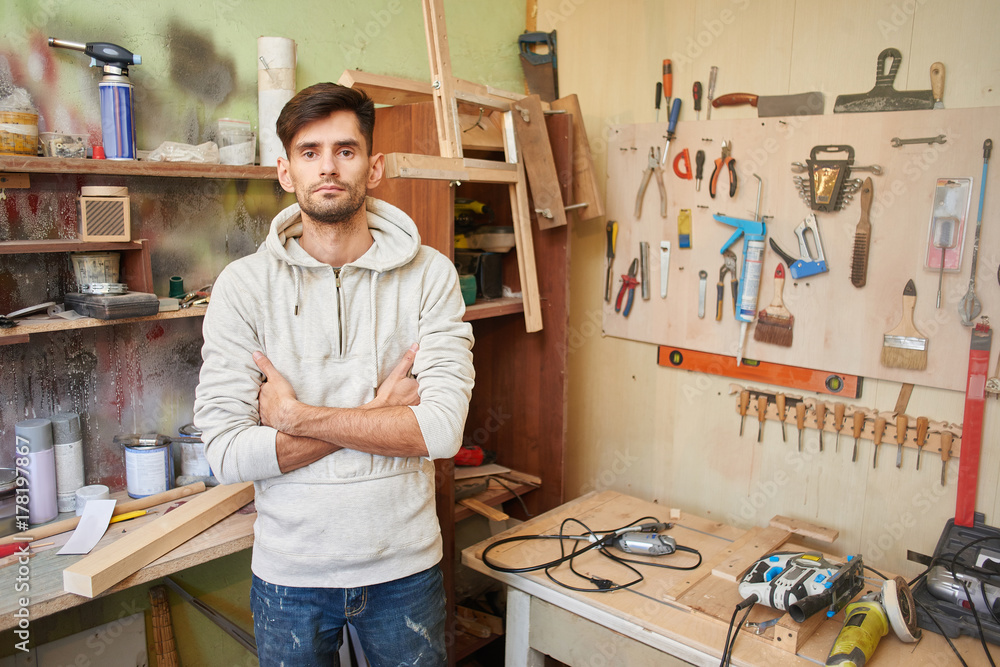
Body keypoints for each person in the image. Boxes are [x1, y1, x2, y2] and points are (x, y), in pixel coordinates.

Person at [193, 82, 475, 666]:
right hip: (290, 574)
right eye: (310, 151)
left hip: (405, 566)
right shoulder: (243, 287)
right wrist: (380, 414)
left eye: (345, 151)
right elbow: (224, 452)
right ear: (285, 169)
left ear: (372, 169)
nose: (328, 167)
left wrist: (294, 417)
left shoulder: (431, 276)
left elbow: (441, 432)